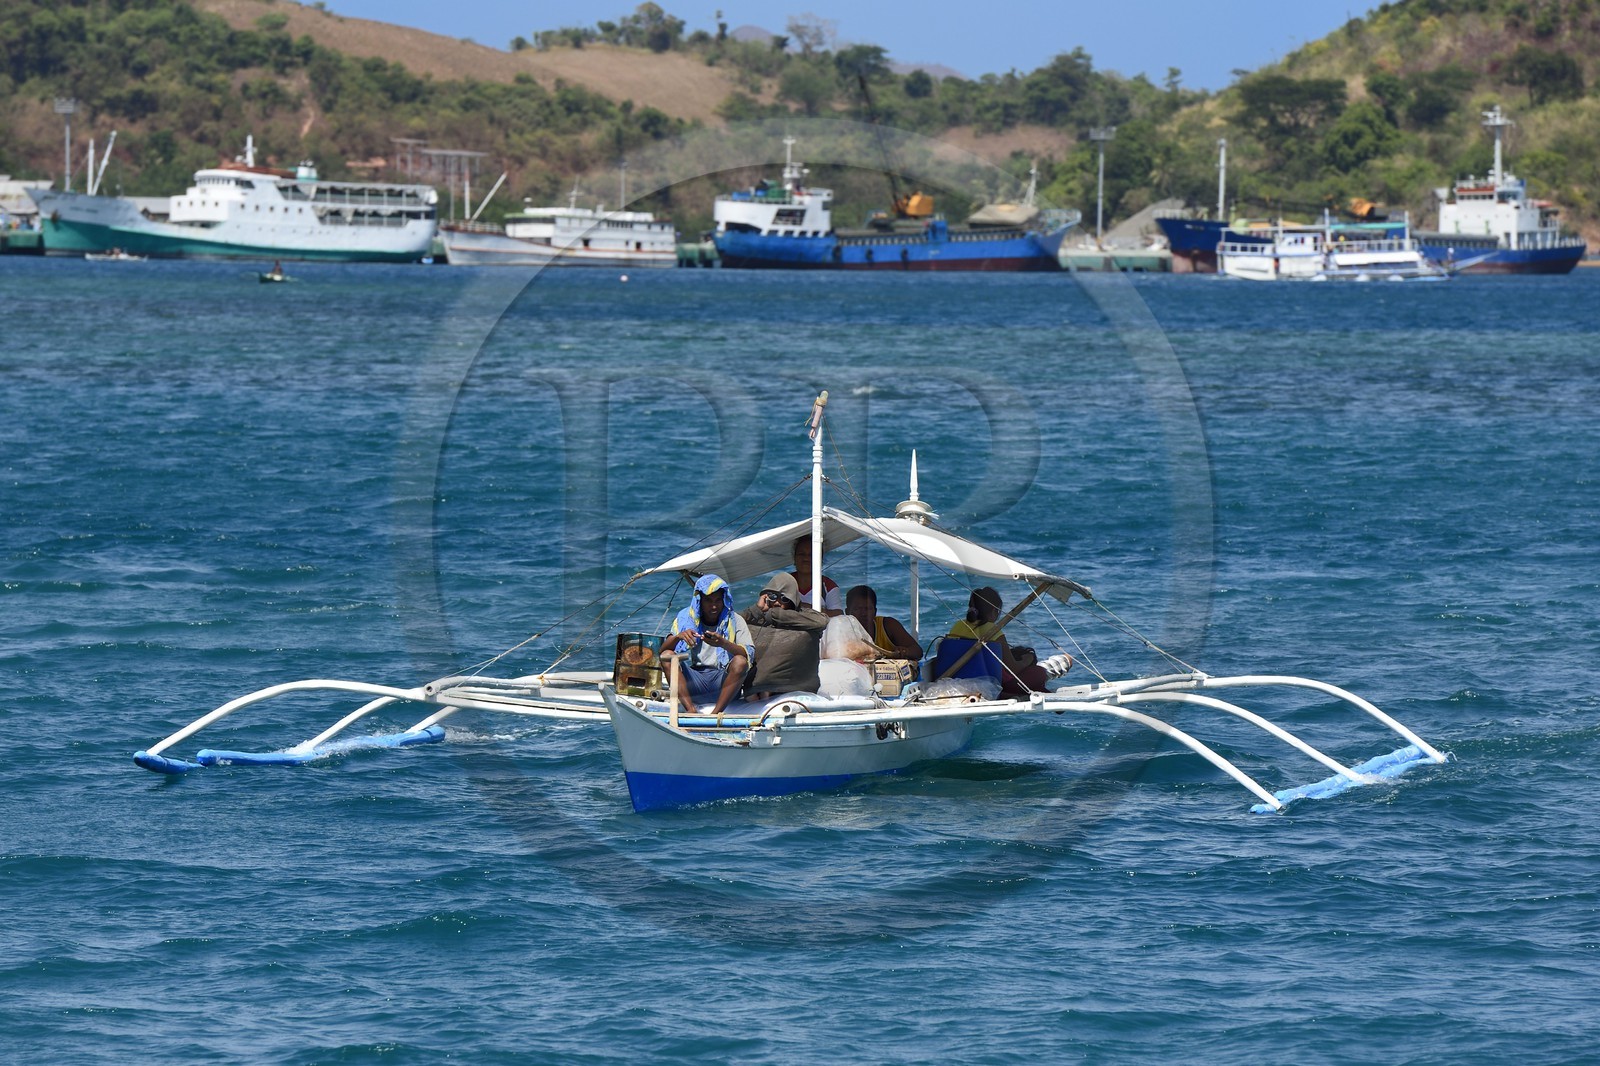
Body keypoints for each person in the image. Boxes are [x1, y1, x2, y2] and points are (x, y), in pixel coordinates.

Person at [659, 574, 753, 716]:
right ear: (700, 601)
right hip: (696, 681)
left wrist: (723, 643)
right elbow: (662, 651)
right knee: (668, 656)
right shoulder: (686, 618)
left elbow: (748, 654)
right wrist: (678, 637)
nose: (714, 606)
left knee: (740, 661)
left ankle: (716, 713)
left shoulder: (734, 620)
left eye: (718, 600)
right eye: (708, 601)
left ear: (724, 600)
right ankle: (690, 709)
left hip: (723, 683)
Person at [944, 586, 1052, 697]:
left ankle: (1037, 691)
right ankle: (1006, 694)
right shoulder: (992, 630)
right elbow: (1013, 668)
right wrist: (1027, 660)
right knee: (1039, 673)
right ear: (994, 611)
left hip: (956, 679)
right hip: (987, 683)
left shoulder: (957, 626)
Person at [740, 572, 829, 700]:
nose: (777, 602)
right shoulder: (758, 617)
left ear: (793, 600)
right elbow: (732, 622)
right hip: (758, 687)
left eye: (784, 599)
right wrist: (756, 610)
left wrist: (775, 615)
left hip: (796, 683)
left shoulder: (802, 615)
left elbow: (822, 621)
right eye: (772, 596)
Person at [845, 584, 923, 662]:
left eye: (868, 609)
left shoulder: (888, 626)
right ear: (847, 612)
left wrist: (905, 652)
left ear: (875, 612)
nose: (863, 613)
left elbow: (918, 651)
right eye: (857, 609)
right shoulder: (842, 633)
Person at [789, 533, 842, 616]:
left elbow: (838, 615)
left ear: (820, 559)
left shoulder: (829, 587)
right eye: (801, 554)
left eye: (811, 555)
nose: (806, 558)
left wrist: (809, 609)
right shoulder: (784, 583)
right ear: (794, 558)